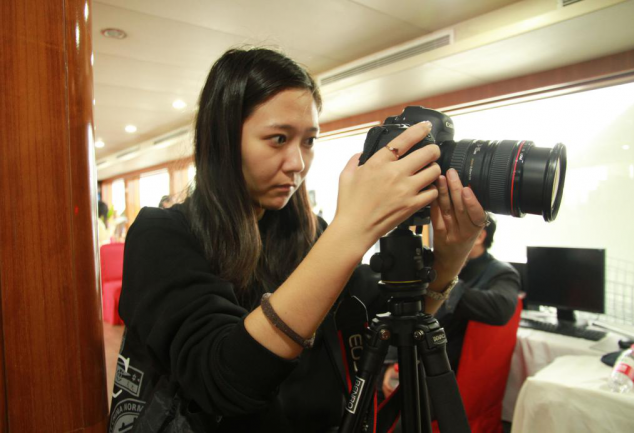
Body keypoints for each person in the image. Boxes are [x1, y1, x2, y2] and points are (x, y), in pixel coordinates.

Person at [108, 47, 487, 432]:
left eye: (308, 141)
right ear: (223, 140)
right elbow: (224, 381)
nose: (298, 163)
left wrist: (450, 257)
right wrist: (353, 228)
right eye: (278, 139)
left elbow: (384, 325)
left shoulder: (311, 231)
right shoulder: (163, 234)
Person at [382, 213, 521, 398]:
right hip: (412, 351)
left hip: (447, 368)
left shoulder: (501, 273)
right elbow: (408, 313)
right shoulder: (433, 265)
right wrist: (394, 362)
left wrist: (447, 275)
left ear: (480, 236)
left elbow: (501, 309)